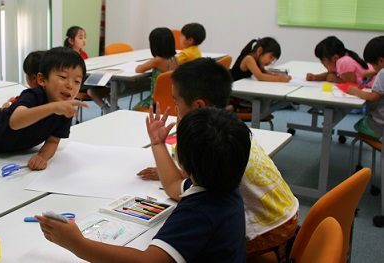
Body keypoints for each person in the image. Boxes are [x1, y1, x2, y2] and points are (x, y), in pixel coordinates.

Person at [36, 106, 250, 263]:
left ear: (183, 163)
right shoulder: (224, 184)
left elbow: (150, 261)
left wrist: (78, 244)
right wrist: (158, 144)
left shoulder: (199, 212)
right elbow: (174, 184)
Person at [138, 58, 299, 262]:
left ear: (198, 106)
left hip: (272, 229)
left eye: (177, 103)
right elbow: (180, 180)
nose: (175, 110)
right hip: (286, 213)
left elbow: (174, 186)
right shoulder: (233, 130)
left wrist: (163, 148)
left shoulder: (211, 145)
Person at [133, 27, 179, 111]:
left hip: (155, 102)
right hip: (170, 99)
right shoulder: (175, 59)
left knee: (135, 108)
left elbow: (138, 69)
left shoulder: (157, 61)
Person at [347, 36, 384, 139]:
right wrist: (375, 71)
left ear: (381, 61)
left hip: (379, 125)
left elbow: (373, 97)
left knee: (359, 124)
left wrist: (356, 91)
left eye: (373, 65)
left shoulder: (382, 73)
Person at [307, 36, 374, 86]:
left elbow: (350, 84)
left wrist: (335, 79)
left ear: (335, 57)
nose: (322, 63)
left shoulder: (343, 62)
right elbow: (329, 74)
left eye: (323, 60)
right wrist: (315, 77)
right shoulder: (339, 60)